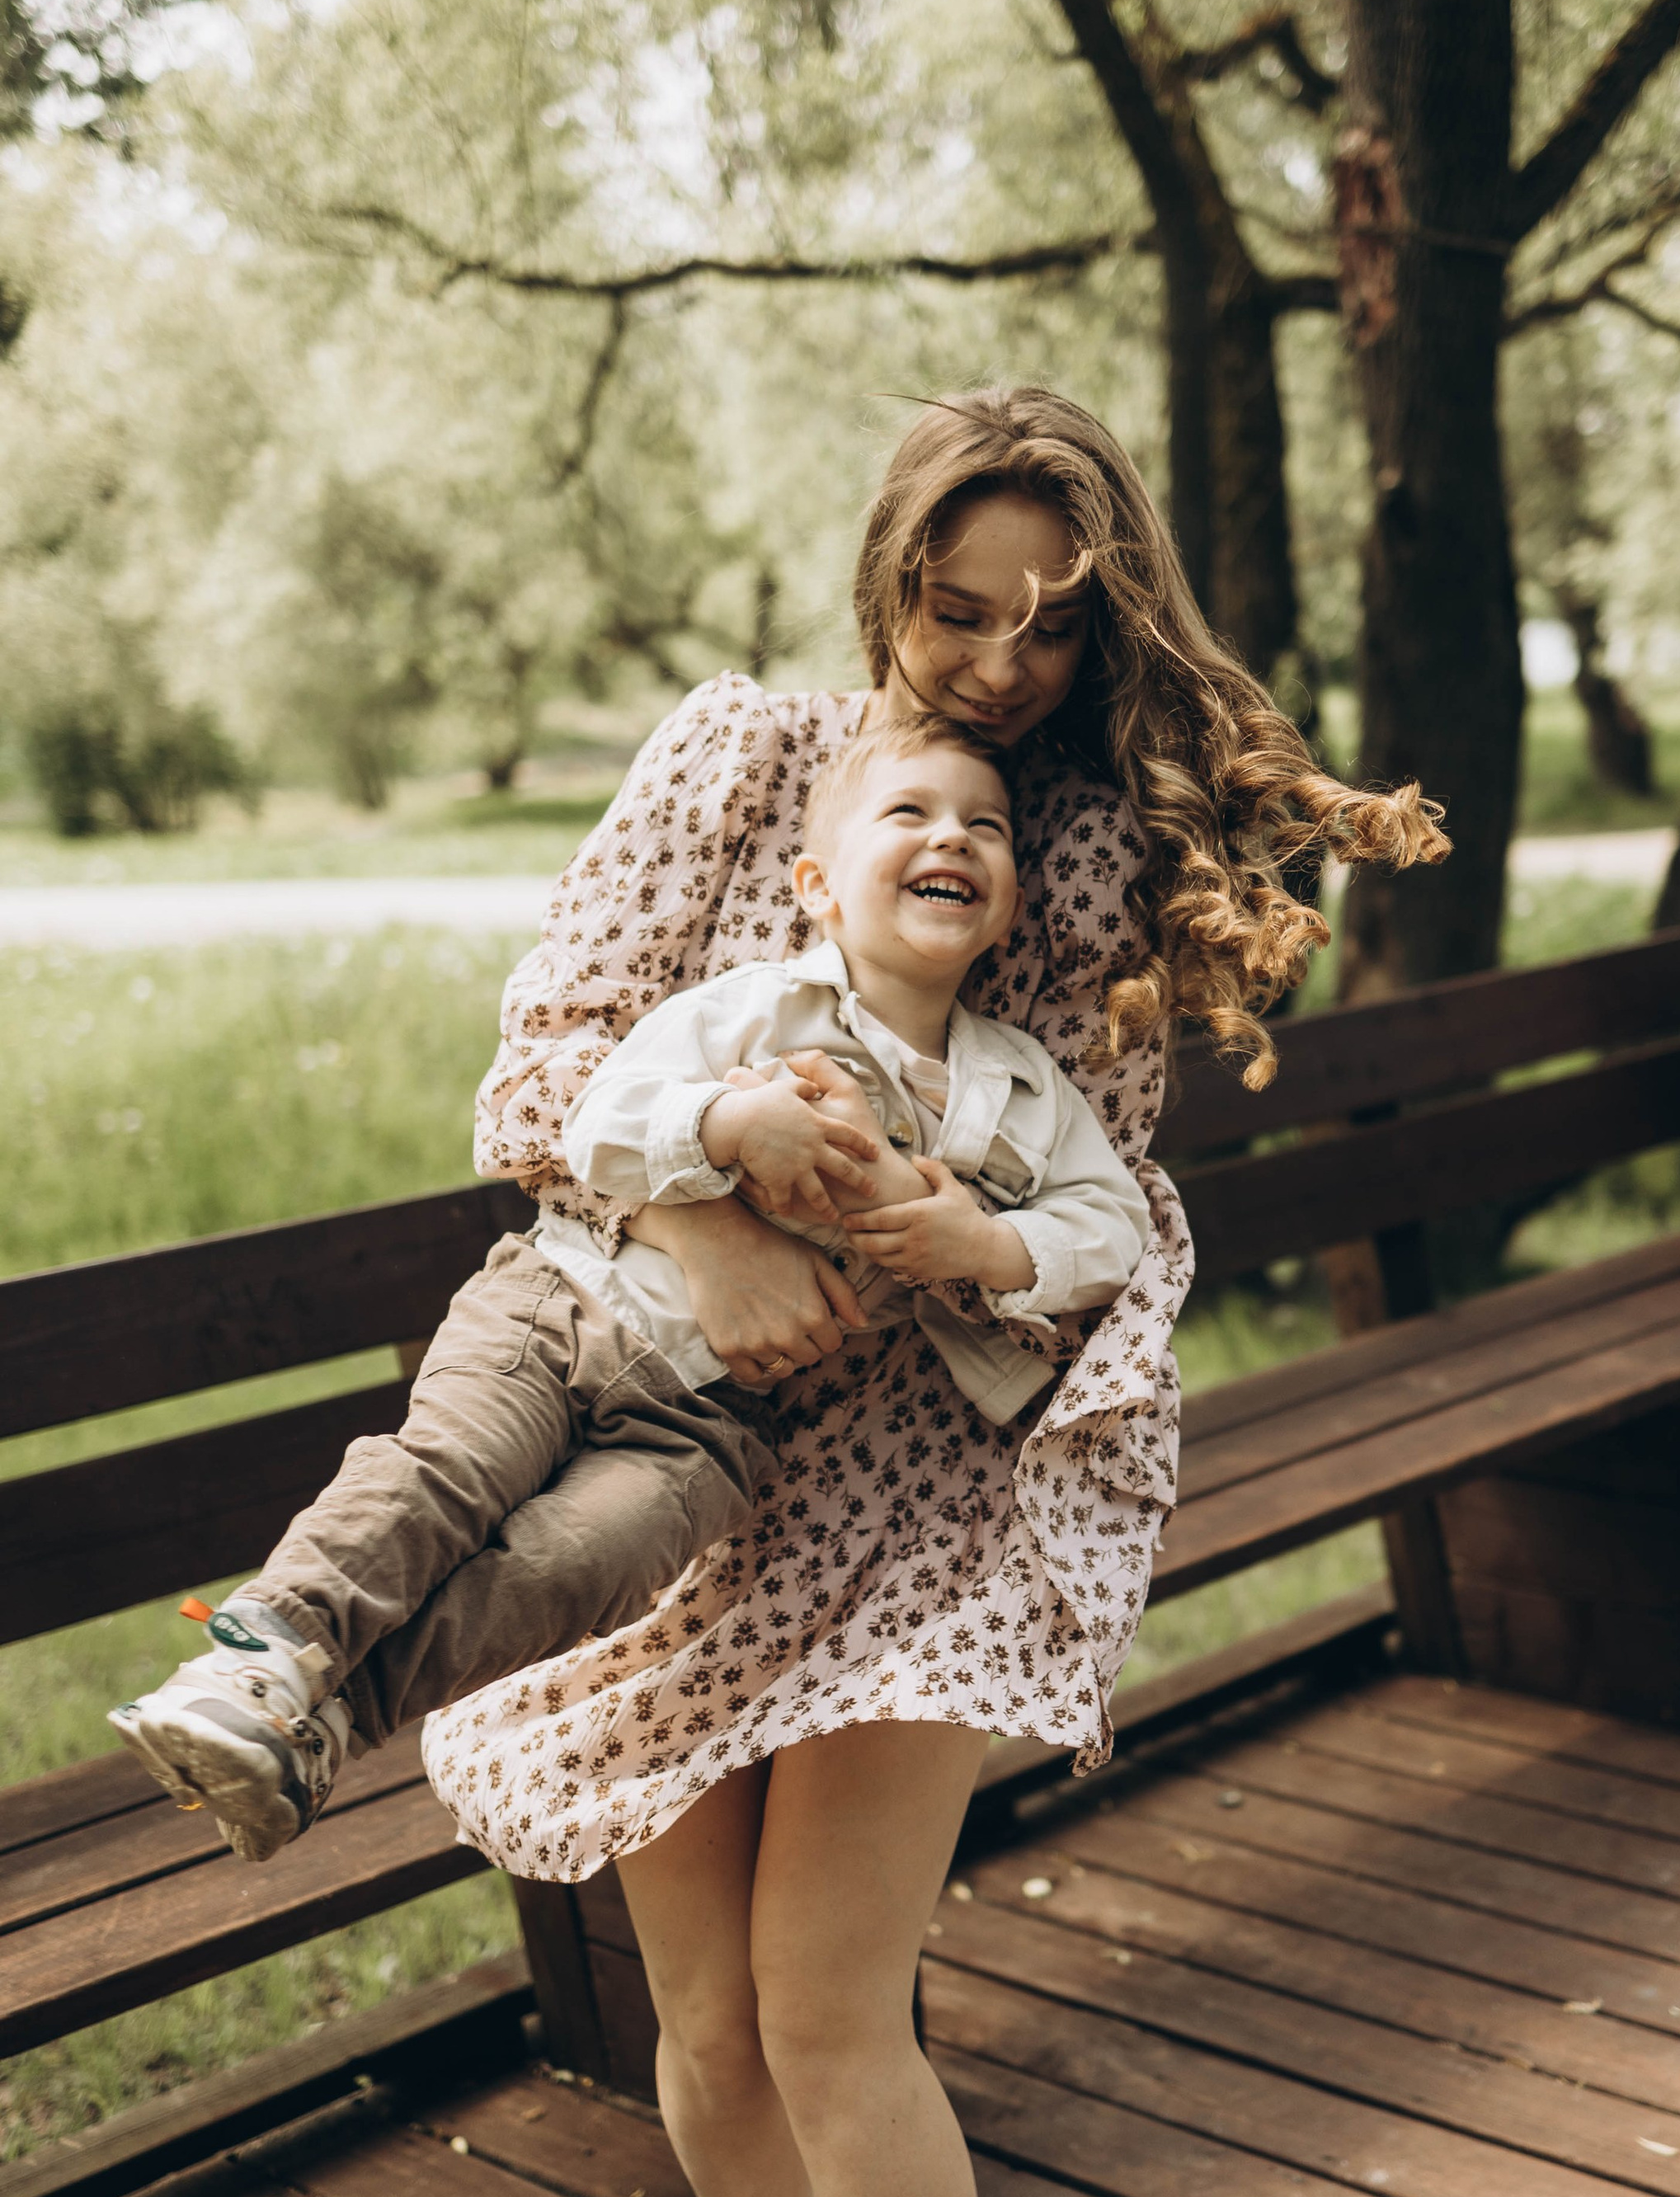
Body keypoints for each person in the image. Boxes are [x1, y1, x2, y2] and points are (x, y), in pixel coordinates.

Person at [418, 385, 1449, 2197]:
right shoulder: (734, 761)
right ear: (882, 568)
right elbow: (543, 1060)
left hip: (946, 1485)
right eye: (955, 608)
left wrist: (935, 1242)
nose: (994, 664)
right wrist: (700, 1209)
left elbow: (1094, 1206)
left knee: (824, 2004)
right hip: (679, 1442)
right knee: (697, 2019)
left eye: (1049, 631)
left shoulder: (1079, 851)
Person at [106, 715, 1147, 1867]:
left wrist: (988, 1244)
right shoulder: (751, 1010)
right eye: (910, 813)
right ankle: (267, 1650)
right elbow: (600, 1122)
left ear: (1003, 906)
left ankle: (323, 1721)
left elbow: (1116, 1224)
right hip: (562, 1309)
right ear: (820, 887)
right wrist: (726, 1120)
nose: (952, 835)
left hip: (714, 1428)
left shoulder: (1022, 1088)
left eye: (984, 827)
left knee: (580, 1567)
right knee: (446, 1471)